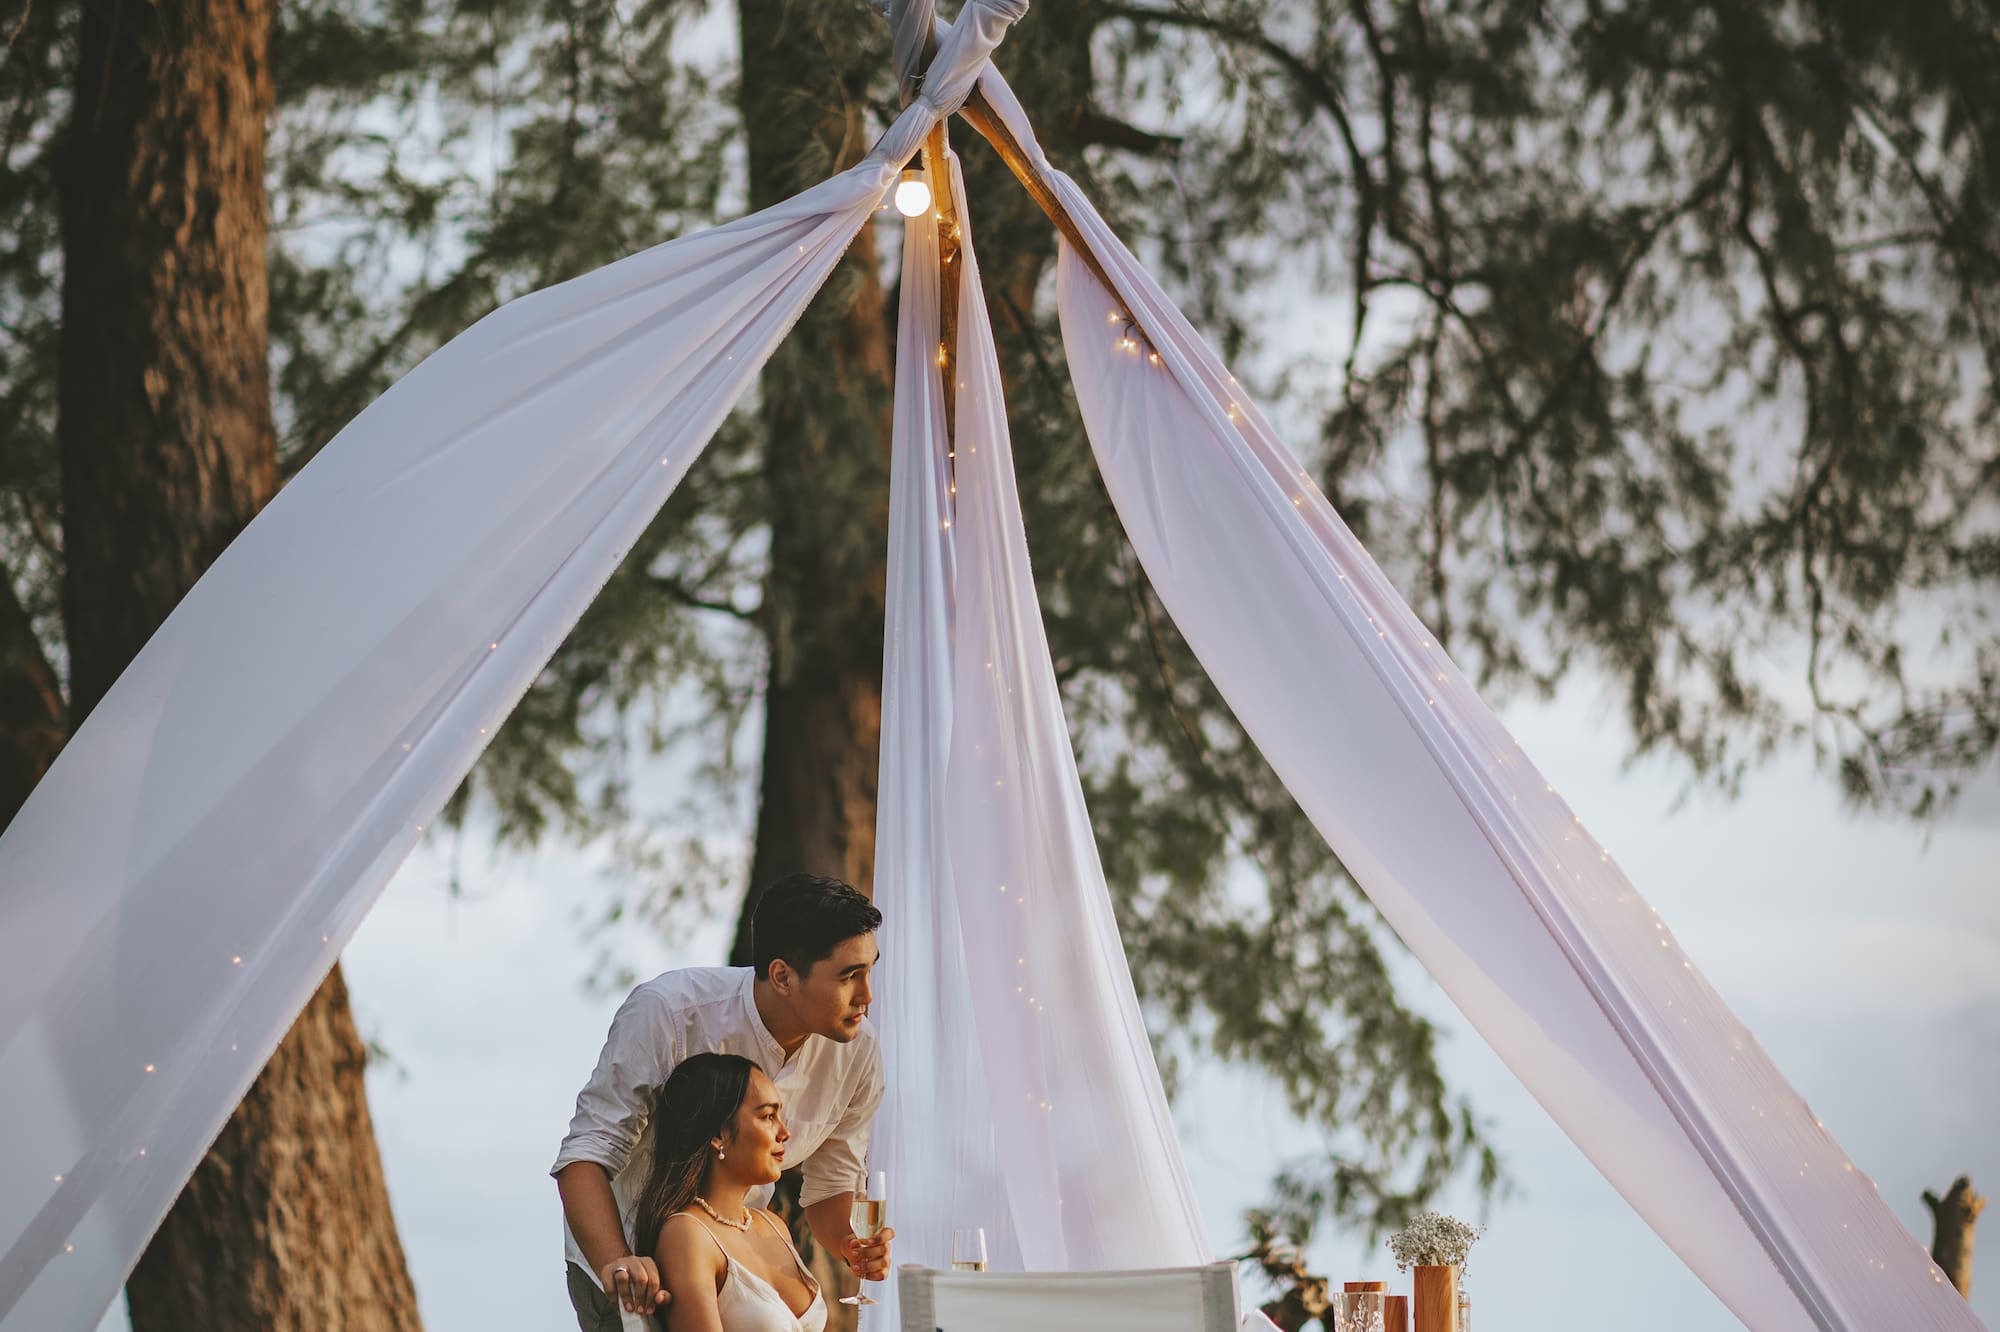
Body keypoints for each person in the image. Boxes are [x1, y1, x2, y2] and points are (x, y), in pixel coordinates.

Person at [553, 873, 894, 1327]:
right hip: (630, 1270)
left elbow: (832, 1188)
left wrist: (855, 1248)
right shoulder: (670, 1014)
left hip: (742, 1270)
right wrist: (618, 1262)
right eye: (850, 976)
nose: (867, 996)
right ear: (782, 976)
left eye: (870, 970)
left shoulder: (859, 1052)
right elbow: (586, 1154)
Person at [636, 1053, 830, 1331]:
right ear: (719, 1134)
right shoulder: (687, 1235)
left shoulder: (773, 1226)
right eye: (768, 1116)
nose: (784, 1132)